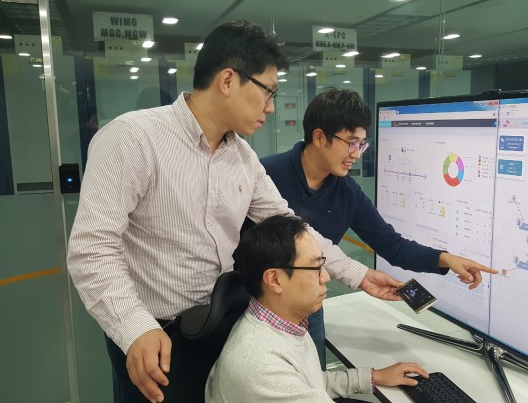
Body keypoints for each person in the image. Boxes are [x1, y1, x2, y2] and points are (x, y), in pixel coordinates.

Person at [67, 21, 406, 403]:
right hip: (154, 340)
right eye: (268, 91)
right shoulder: (133, 138)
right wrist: (134, 327)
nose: (271, 107)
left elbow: (291, 226)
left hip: (220, 327)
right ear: (228, 80)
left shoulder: (243, 158)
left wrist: (360, 275)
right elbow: (91, 250)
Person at [259, 88, 498, 368]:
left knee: (314, 378)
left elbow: (391, 245)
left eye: (362, 145)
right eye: (351, 143)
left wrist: (445, 259)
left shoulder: (347, 192)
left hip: (308, 307)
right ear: (320, 137)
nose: (356, 155)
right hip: (258, 305)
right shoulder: (266, 175)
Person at [206, 214, 429, 402]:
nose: (326, 277)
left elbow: (308, 383)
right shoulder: (262, 366)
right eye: (315, 268)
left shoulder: (280, 322)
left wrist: (373, 377)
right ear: (274, 280)